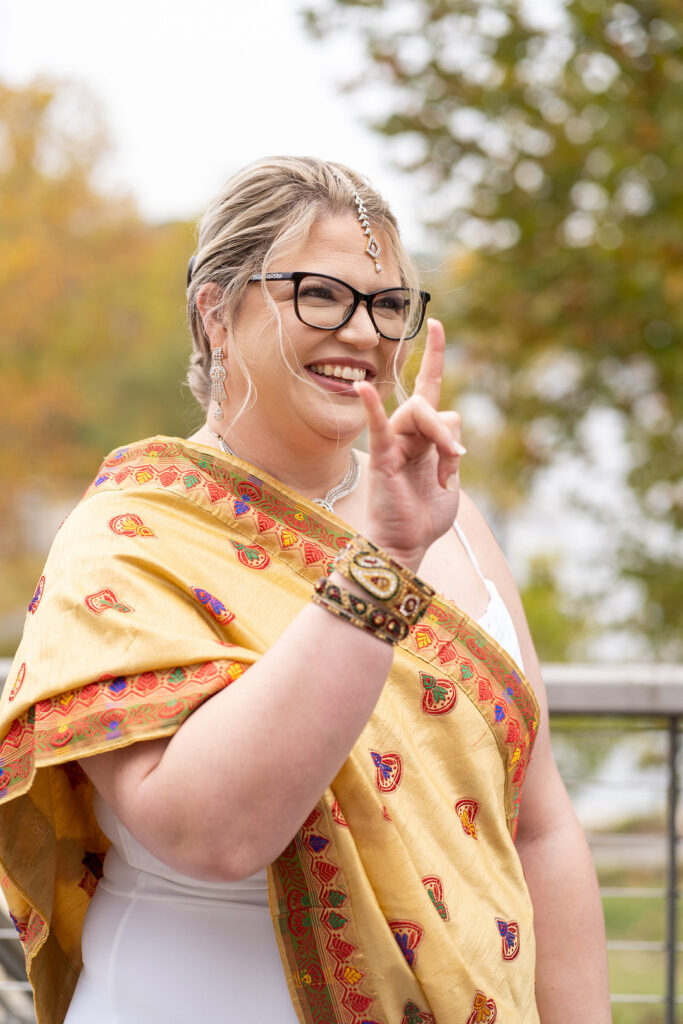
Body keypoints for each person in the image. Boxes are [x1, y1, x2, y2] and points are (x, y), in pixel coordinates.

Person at [0, 156, 611, 1024]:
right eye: (319, 294)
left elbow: (540, 825)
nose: (362, 333)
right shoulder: (132, 538)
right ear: (215, 309)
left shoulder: (455, 520)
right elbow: (214, 834)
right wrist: (383, 562)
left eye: (388, 303)